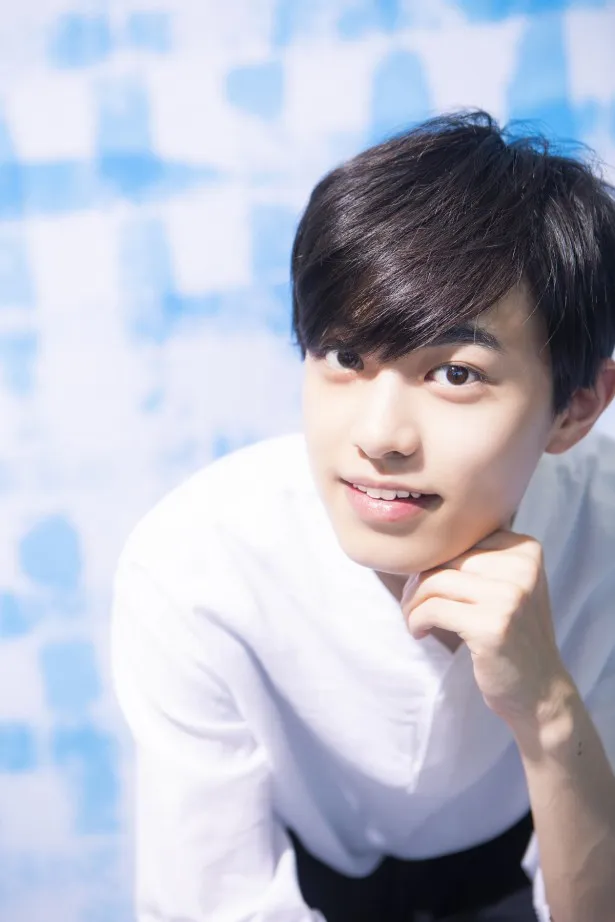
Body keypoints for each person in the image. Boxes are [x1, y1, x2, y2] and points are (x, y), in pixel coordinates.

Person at [110, 110, 615, 922]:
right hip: (308, 873)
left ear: (576, 406)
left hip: (545, 848)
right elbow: (210, 902)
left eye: (455, 373)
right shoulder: (195, 564)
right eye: (345, 357)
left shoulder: (606, 529)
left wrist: (550, 712)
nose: (379, 438)